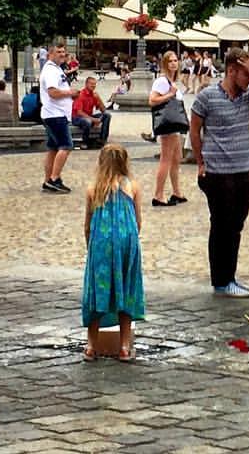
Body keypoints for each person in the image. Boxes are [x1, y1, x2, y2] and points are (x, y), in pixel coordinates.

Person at [189, 48, 249, 298]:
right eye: (245, 74)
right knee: (221, 225)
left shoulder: (248, 95)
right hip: (217, 171)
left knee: (237, 224)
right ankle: (221, 280)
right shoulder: (207, 96)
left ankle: (230, 277)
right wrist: (200, 163)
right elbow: (195, 131)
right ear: (231, 71)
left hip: (242, 169)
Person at [82, 144, 144, 362]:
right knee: (126, 290)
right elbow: (138, 221)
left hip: (100, 243)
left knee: (97, 292)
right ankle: (125, 347)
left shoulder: (93, 188)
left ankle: (91, 346)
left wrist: (91, 246)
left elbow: (87, 224)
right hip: (127, 243)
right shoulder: (131, 186)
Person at [148, 51, 187, 208]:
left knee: (177, 158)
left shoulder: (172, 81)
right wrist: (170, 95)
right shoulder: (162, 81)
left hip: (174, 124)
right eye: (170, 61)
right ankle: (158, 194)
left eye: (175, 60)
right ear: (164, 64)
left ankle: (176, 191)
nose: (173, 63)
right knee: (166, 159)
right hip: (168, 125)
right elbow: (152, 100)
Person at [40, 43, 74, 194]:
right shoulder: (51, 71)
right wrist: (71, 93)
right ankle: (55, 178)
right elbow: (53, 92)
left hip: (55, 114)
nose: (62, 54)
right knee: (66, 146)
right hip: (55, 114)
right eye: (58, 52)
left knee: (53, 148)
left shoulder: (55, 69)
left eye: (63, 52)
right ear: (50, 54)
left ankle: (48, 180)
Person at [72, 75, 112, 149]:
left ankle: (102, 140)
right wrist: (93, 119)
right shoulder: (80, 95)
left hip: (88, 116)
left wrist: (98, 98)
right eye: (91, 84)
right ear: (86, 84)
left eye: (94, 84)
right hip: (77, 118)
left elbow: (103, 110)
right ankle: (85, 142)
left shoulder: (93, 95)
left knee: (107, 115)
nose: (93, 86)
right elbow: (79, 112)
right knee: (88, 121)